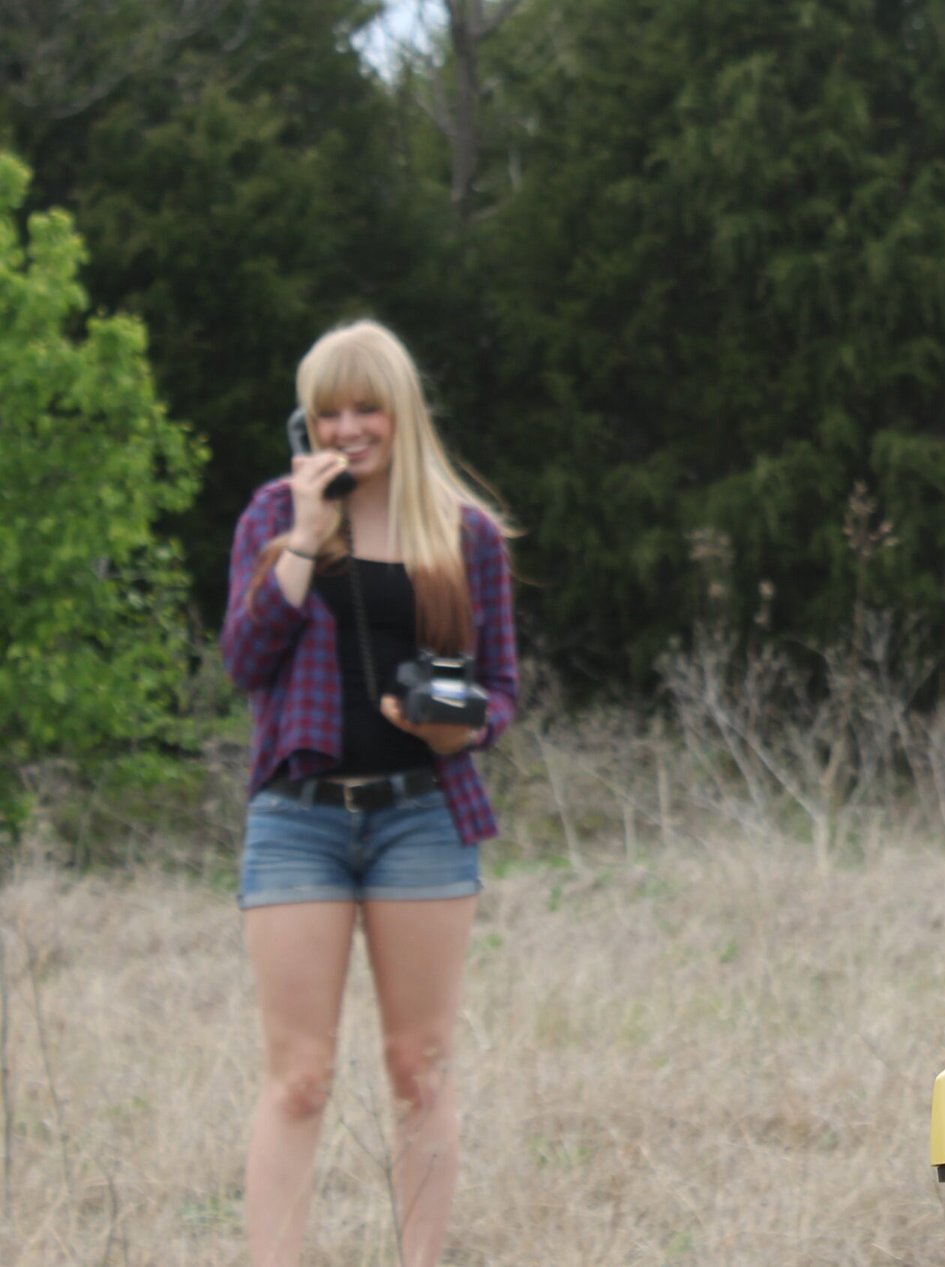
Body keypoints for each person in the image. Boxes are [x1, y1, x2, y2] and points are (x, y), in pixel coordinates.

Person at [219, 319, 518, 1267]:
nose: (349, 427)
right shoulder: (274, 513)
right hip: (298, 819)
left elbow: (501, 687)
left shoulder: (464, 530)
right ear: (305, 423)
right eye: (328, 411)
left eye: (367, 407)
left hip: (422, 816)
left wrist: (458, 728)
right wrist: (306, 540)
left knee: (420, 1070)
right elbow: (246, 659)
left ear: (402, 412)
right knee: (299, 1077)